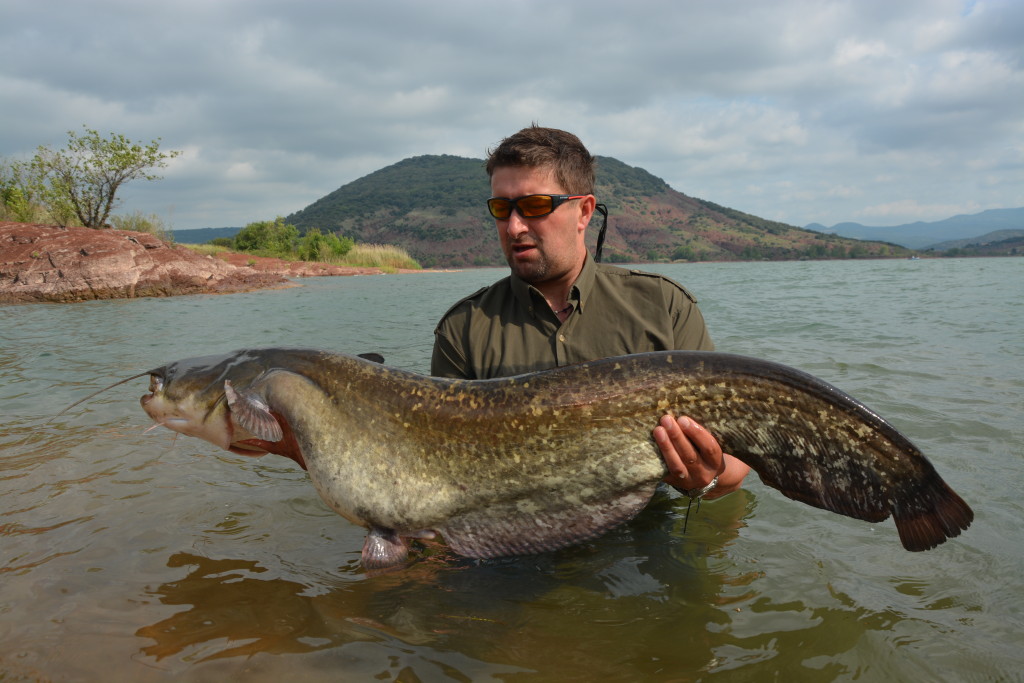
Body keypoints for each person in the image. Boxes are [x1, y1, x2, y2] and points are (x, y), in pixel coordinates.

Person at [431, 125, 749, 501]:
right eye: (502, 209)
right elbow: (444, 473)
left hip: (640, 540)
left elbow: (733, 467)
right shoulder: (463, 328)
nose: (514, 227)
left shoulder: (664, 306)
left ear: (584, 211)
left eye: (534, 207)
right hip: (509, 543)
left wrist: (707, 479)